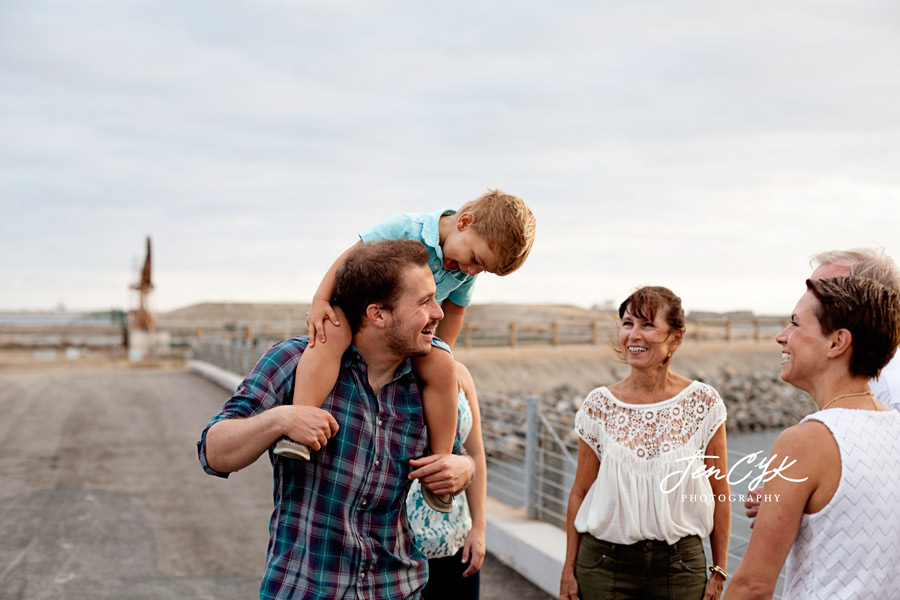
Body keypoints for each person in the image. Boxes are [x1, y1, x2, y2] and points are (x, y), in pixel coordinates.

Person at [197, 239, 476, 599]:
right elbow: (212, 451)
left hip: (399, 590)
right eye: (424, 302)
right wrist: (281, 419)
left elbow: (460, 457)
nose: (439, 312)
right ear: (378, 314)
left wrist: (462, 469)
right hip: (304, 589)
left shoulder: (430, 383)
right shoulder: (296, 361)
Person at [275, 189, 535, 513]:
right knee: (328, 337)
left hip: (406, 329)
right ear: (465, 222)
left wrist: (440, 352)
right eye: (476, 260)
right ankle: (300, 426)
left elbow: (453, 312)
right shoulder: (407, 228)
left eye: (482, 270)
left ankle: (440, 462)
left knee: (444, 368)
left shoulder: (463, 270)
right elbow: (345, 261)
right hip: (359, 308)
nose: (470, 271)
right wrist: (320, 301)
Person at [724, 276, 900, 598]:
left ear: (836, 342)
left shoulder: (806, 441)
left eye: (794, 324)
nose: (781, 337)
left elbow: (753, 587)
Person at [560, 286, 731, 600]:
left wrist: (719, 569)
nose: (634, 335)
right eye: (628, 324)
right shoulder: (600, 405)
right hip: (603, 565)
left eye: (648, 325)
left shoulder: (703, 403)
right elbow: (580, 492)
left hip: (681, 569)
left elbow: (720, 491)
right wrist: (567, 570)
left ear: (675, 337)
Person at [743, 246, 900, 525]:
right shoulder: (861, 383)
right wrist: (797, 490)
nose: (813, 295)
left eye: (826, 288)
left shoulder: (886, 388)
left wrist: (796, 497)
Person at [406, 360, 487, 599]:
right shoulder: (391, 372)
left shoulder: (460, 372)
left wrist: (479, 529)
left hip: (455, 541)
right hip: (398, 549)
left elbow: (476, 453)